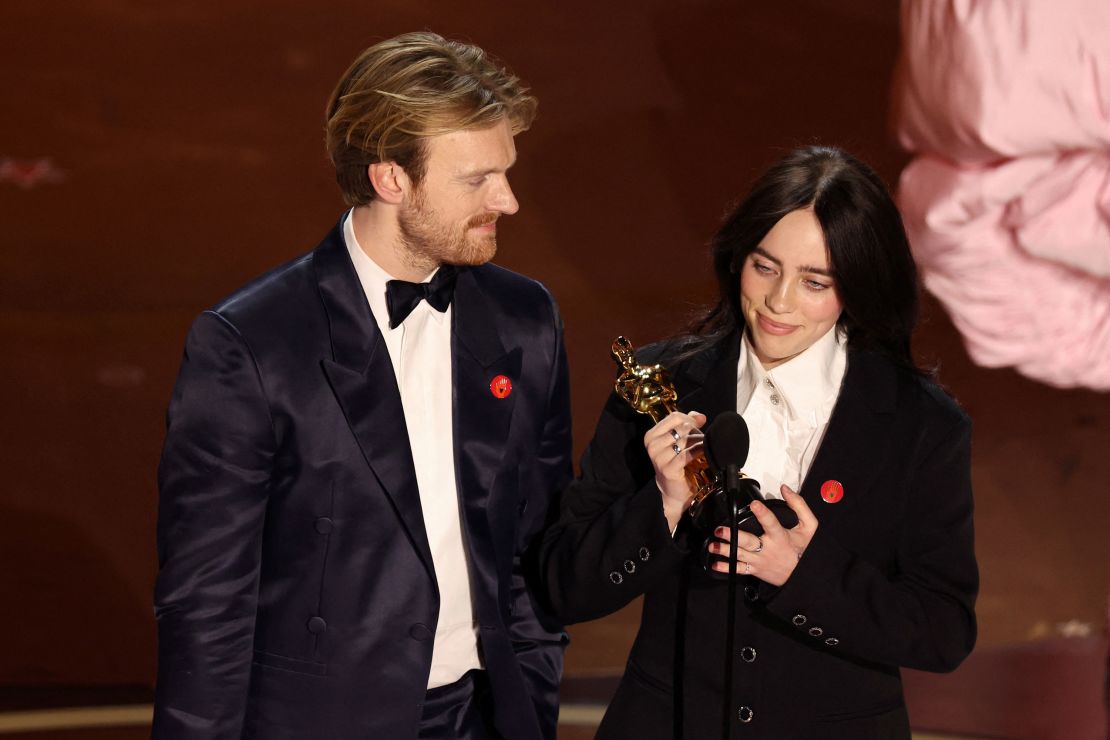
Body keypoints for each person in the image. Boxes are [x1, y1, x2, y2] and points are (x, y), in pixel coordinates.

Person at [153, 32, 571, 740]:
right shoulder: (252, 342)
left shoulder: (525, 318)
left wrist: (531, 693)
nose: (508, 200)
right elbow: (207, 601)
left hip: (485, 717)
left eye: (506, 171)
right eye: (477, 180)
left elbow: (535, 537)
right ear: (391, 179)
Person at [539, 146, 978, 739]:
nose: (779, 301)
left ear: (857, 285)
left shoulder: (920, 423)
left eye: (814, 281)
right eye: (764, 267)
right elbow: (565, 586)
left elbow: (942, 629)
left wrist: (805, 574)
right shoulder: (657, 386)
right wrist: (663, 505)